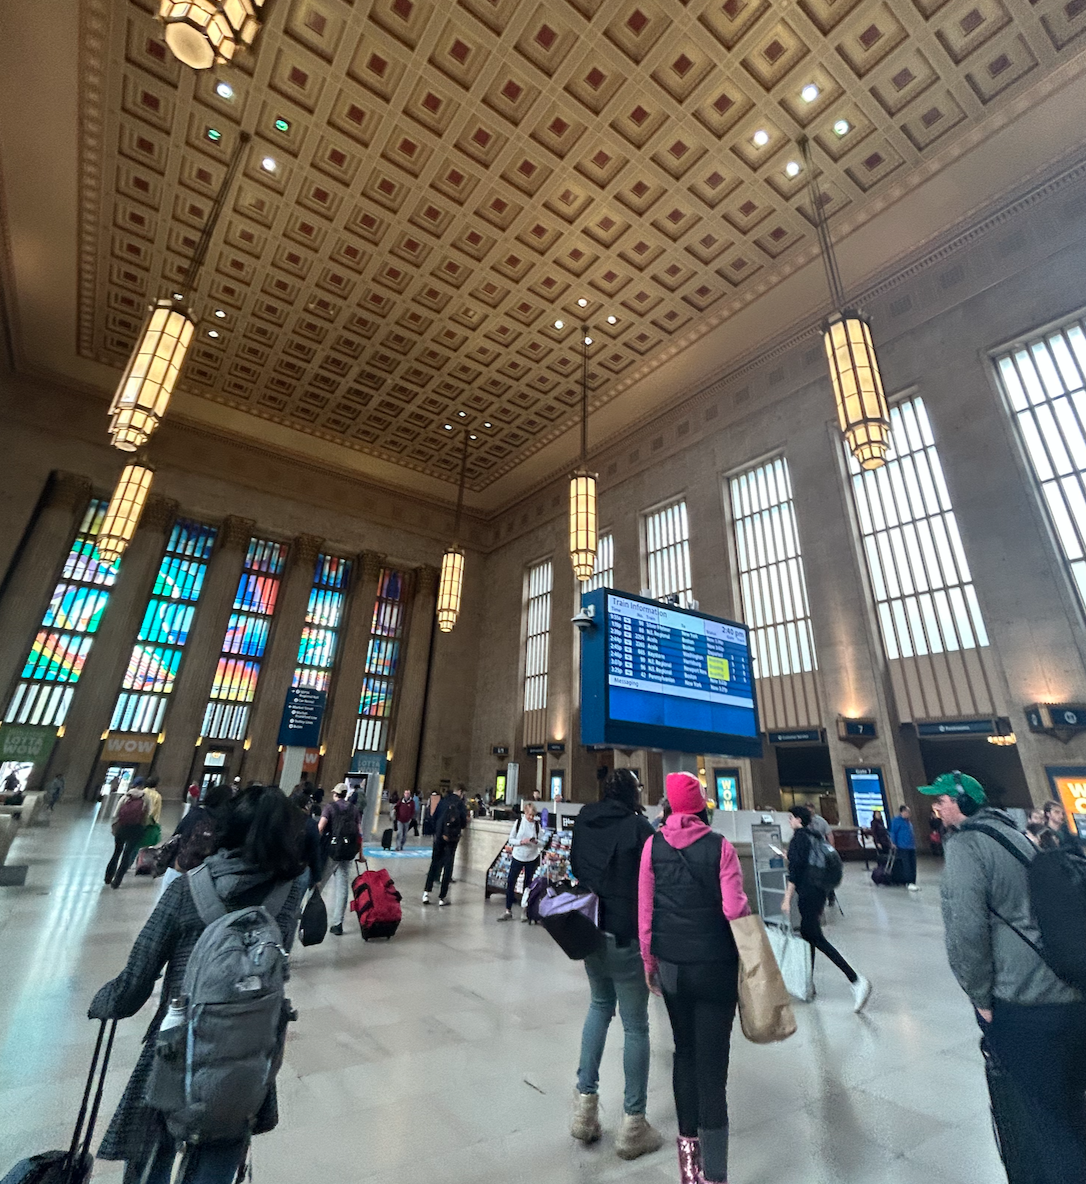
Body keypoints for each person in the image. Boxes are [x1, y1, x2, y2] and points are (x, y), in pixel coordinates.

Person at [89, 785, 307, 1184]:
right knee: (224, 1141)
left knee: (154, 1143)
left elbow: (141, 971)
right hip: (248, 1043)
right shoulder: (289, 892)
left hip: (178, 1037)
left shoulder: (188, 887)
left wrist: (111, 1001)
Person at [920, 771, 1086, 1183]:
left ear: (961, 802)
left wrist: (979, 998)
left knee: (1045, 1125)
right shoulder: (1015, 835)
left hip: (1022, 998)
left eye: (941, 799)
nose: (935, 807)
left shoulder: (967, 846)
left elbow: (967, 930)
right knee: (1070, 1106)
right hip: (1065, 983)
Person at [638, 772, 749, 1184]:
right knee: (712, 1068)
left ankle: (689, 1169)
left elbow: (645, 913)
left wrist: (650, 962)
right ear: (702, 805)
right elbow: (735, 910)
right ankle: (716, 1175)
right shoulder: (721, 848)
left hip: (672, 969)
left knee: (683, 1055)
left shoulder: (652, 846)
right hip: (716, 968)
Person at [569, 769, 661, 1159]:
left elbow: (576, 866)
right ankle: (633, 1125)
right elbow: (652, 883)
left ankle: (584, 1108)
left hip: (591, 932)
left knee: (599, 1007)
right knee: (636, 1026)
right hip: (627, 938)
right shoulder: (639, 829)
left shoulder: (585, 819)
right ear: (632, 794)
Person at [781, 806, 871, 1011]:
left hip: (808, 892)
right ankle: (807, 985)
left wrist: (787, 898)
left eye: (791, 818)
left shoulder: (798, 839)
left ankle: (856, 980)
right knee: (809, 934)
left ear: (797, 820)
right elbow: (805, 862)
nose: (789, 821)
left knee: (815, 936)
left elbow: (795, 873)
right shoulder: (814, 836)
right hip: (820, 890)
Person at [160, 783, 232, 893]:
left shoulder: (196, 813)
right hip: (204, 877)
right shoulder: (226, 823)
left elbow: (177, 834)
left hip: (178, 866)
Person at [318, 784, 361, 936]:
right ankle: (338, 924)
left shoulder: (330, 808)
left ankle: (306, 912)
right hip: (348, 852)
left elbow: (320, 828)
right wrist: (360, 854)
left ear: (336, 794)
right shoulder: (354, 809)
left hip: (332, 851)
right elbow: (359, 833)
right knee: (342, 887)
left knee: (319, 883)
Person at [496, 800, 542, 921]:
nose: (531, 818)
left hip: (531, 857)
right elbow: (511, 839)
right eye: (529, 815)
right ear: (525, 813)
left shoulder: (537, 825)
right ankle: (508, 909)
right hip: (518, 856)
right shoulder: (519, 822)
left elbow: (542, 841)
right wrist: (521, 842)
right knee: (511, 881)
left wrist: (535, 842)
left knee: (528, 885)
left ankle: (525, 910)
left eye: (533, 815)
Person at [422, 785, 468, 906]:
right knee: (448, 866)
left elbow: (434, 817)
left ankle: (426, 893)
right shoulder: (460, 804)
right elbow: (463, 823)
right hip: (452, 839)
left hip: (439, 837)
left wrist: (438, 831)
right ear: (460, 792)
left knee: (434, 863)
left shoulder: (442, 801)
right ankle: (442, 897)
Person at [105, 784, 149, 889]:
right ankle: (117, 882)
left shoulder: (125, 797)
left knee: (116, 852)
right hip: (136, 829)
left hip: (122, 828)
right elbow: (148, 814)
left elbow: (116, 814)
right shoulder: (146, 798)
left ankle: (108, 877)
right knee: (127, 855)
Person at [889, 804, 919, 891]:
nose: (908, 813)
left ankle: (913, 881)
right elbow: (893, 832)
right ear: (902, 812)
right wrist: (893, 843)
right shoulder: (896, 821)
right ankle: (908, 881)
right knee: (906, 865)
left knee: (913, 864)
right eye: (907, 811)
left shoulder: (908, 821)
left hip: (911, 846)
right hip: (902, 846)